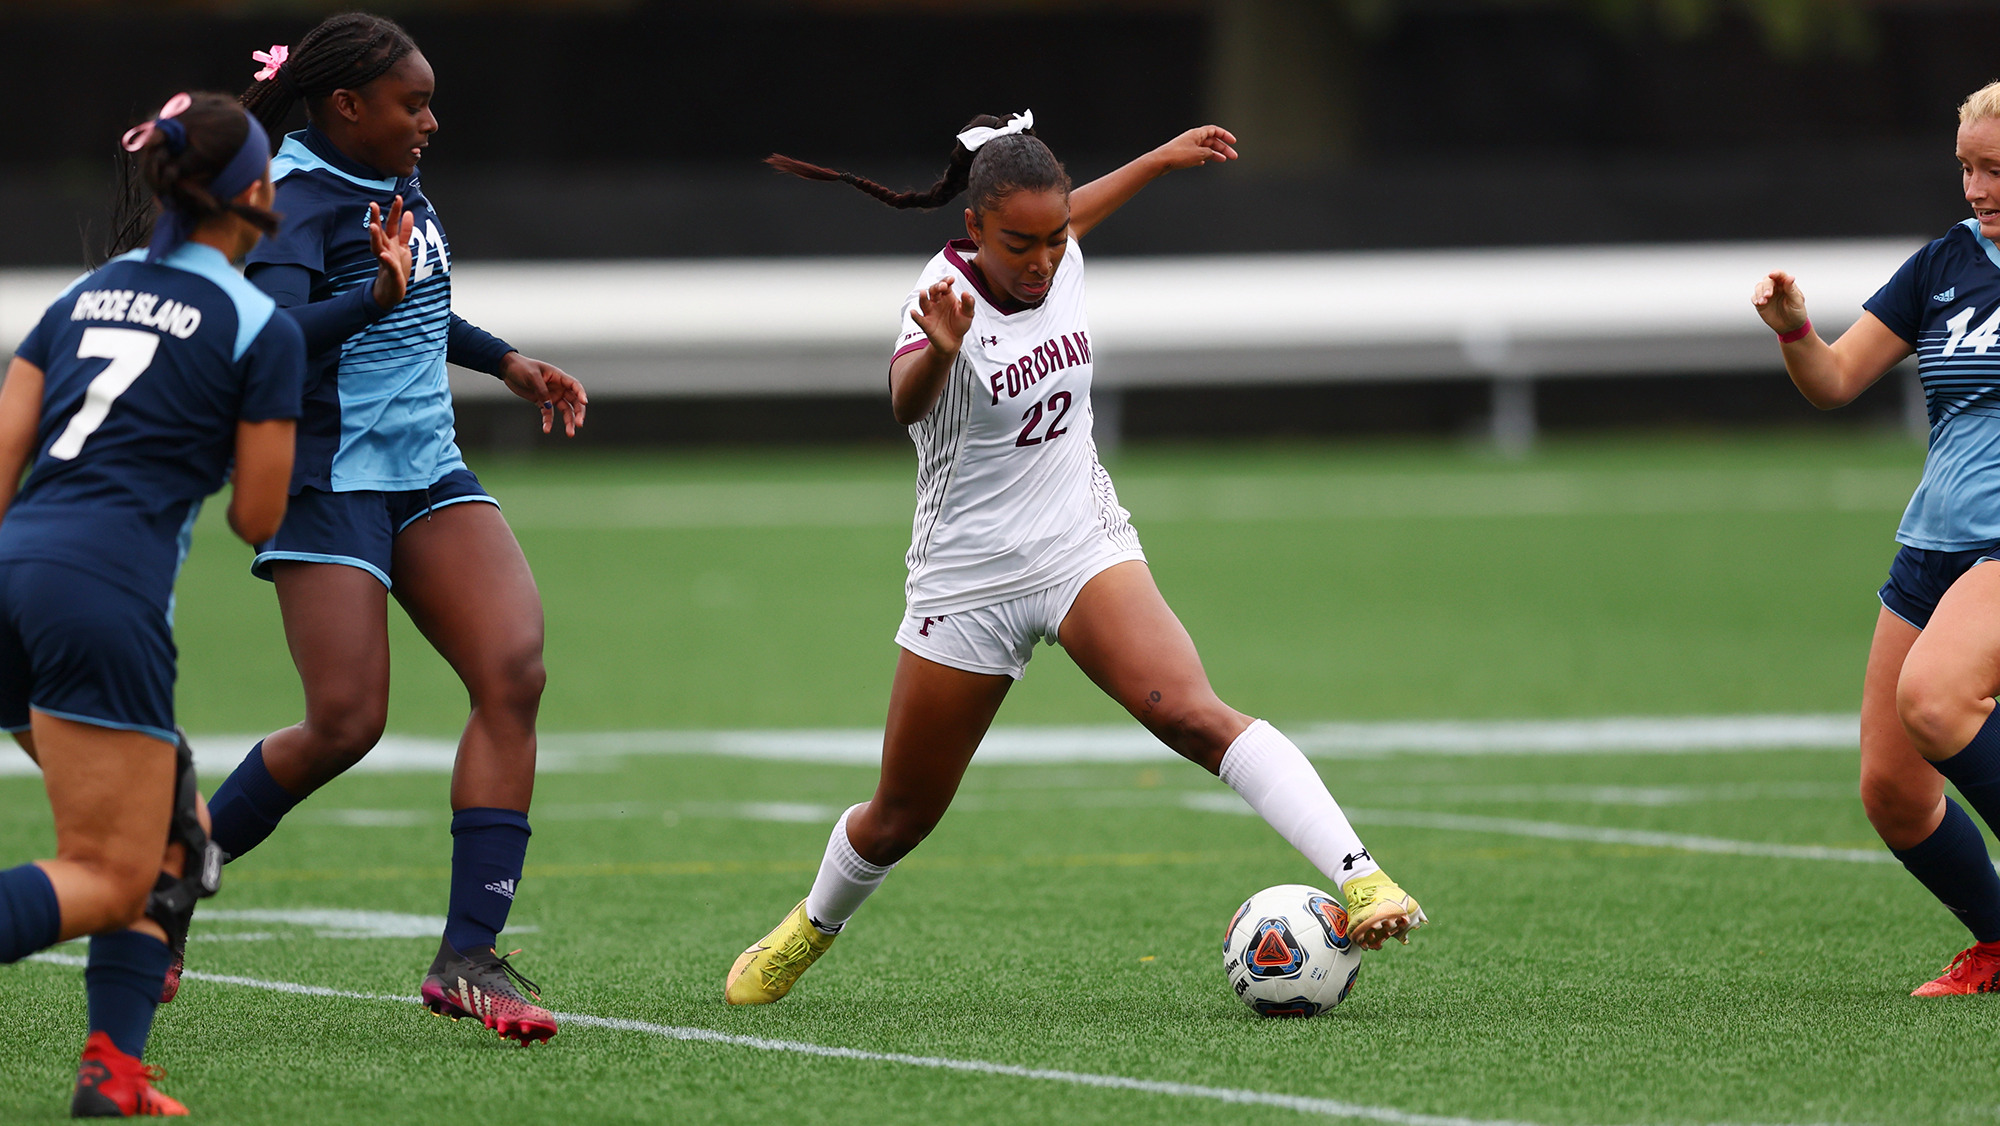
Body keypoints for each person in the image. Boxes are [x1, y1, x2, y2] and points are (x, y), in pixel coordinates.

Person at [723, 112, 1426, 1006]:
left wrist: (1163, 160)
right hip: (968, 577)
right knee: (902, 814)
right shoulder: (942, 296)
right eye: (1024, 243)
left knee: (1191, 712)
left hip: (1079, 542)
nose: (1046, 260)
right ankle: (810, 928)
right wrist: (938, 357)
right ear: (975, 228)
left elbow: (1073, 213)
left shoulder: (1054, 243)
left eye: (1058, 238)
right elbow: (905, 404)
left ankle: (1362, 875)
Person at [192, 13, 586, 1044]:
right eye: (412, 104)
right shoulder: (292, 199)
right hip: (326, 477)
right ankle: (173, 867)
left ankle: (468, 956)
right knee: (344, 723)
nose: (431, 120)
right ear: (344, 106)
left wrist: (504, 361)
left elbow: (415, 301)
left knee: (514, 670)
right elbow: (271, 339)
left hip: (425, 467)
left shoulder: (391, 177)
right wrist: (374, 294)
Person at [0, 91, 301, 1116]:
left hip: (11, 571)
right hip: (98, 591)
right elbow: (257, 517)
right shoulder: (256, 322)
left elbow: (3, 460)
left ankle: (110, 1071)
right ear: (255, 193)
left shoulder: (82, 295)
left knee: (176, 827)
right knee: (114, 874)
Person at [1753, 79, 2000, 996]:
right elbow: (1837, 380)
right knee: (1893, 793)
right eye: (1967, 168)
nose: (1977, 189)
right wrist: (1794, 332)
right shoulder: (1943, 264)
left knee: (1935, 700)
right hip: (1932, 548)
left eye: (1997, 171)